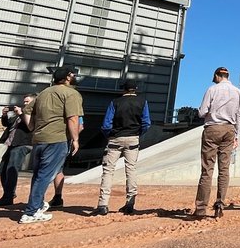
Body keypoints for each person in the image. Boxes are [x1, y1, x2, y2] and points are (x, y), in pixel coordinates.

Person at [20, 65, 83, 225]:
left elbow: (27, 111)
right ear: (68, 77)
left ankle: (38, 205)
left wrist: (32, 127)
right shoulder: (71, 94)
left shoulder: (43, 93)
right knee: (46, 175)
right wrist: (75, 139)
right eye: (73, 74)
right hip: (57, 139)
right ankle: (31, 212)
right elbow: (72, 118)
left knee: (39, 174)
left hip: (39, 139)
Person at [193, 66, 240, 219]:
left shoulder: (212, 90)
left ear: (217, 75)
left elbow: (202, 112)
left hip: (212, 128)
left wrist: (200, 110)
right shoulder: (238, 92)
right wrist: (237, 135)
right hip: (229, 130)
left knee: (207, 169)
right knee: (224, 169)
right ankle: (220, 205)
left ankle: (201, 208)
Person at [96, 79, 151, 216]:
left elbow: (106, 124)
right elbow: (146, 123)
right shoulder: (142, 102)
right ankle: (130, 203)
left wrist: (110, 135)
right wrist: (137, 133)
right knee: (131, 169)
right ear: (136, 89)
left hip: (115, 138)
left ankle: (103, 204)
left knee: (108, 171)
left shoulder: (115, 102)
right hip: (133, 139)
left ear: (124, 89)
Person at [0, 95, 35, 207]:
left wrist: (21, 113)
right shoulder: (18, 115)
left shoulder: (34, 113)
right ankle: (9, 193)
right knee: (2, 169)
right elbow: (7, 124)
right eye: (24, 101)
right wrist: (4, 115)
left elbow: (31, 126)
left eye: (27, 102)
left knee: (11, 168)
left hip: (23, 144)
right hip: (12, 144)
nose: (25, 104)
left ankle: (8, 196)